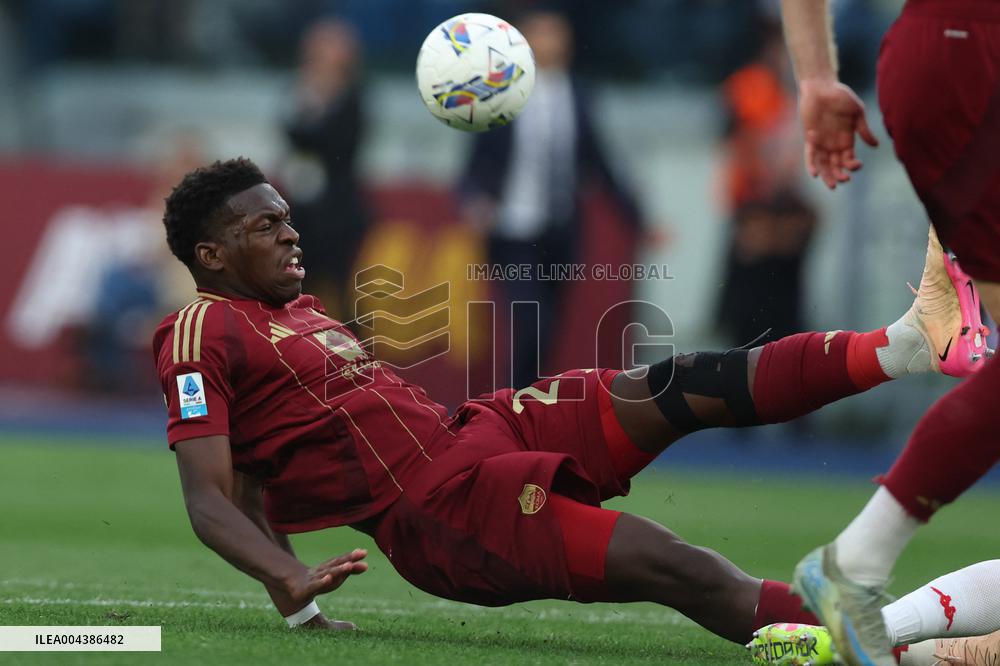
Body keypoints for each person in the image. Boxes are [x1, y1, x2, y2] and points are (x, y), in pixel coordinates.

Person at [155, 158, 980, 646]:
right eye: (265, 226)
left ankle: (909, 341)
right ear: (211, 254)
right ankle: (907, 638)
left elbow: (257, 471)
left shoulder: (291, 312)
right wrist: (289, 578)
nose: (290, 233)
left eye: (285, 218)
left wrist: (293, 605)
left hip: (472, 431)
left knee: (681, 383)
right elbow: (212, 496)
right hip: (441, 513)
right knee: (678, 567)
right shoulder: (199, 331)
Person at [780, 0, 999, 663]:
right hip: (970, 50)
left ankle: (878, 631)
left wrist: (815, 76)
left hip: (941, 53)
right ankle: (857, 567)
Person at [459, 10, 648, 390]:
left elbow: (598, 162)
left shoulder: (578, 94)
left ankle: (528, 399)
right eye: (540, 34)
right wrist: (475, 199)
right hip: (512, 229)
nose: (549, 43)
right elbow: (475, 164)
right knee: (531, 319)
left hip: (560, 230)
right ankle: (515, 400)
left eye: (555, 34)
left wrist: (637, 218)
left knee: (550, 327)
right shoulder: (500, 93)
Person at [282, 18, 369, 322]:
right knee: (297, 289)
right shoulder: (297, 91)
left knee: (344, 294)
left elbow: (340, 144)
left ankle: (356, 349)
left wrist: (320, 106)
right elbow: (289, 134)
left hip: (338, 213)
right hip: (300, 211)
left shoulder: (353, 96)